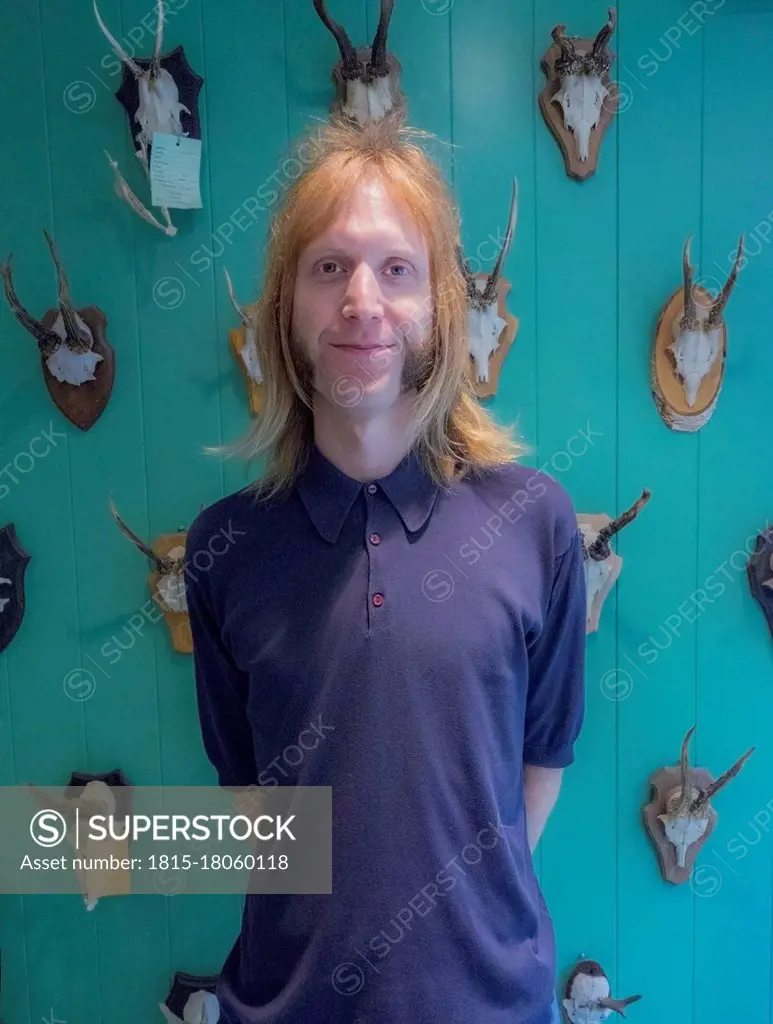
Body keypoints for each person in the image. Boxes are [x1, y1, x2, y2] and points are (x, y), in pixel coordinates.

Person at [185, 112, 587, 1024]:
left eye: (396, 270)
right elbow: (255, 808)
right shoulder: (223, 551)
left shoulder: (535, 524)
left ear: (440, 303)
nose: (361, 300)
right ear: (286, 305)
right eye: (329, 268)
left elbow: (540, 767)